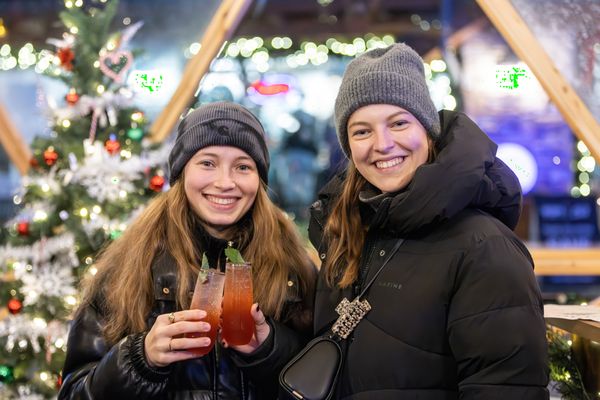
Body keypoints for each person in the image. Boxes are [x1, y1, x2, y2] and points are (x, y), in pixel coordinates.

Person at [307, 43, 549, 399]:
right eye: (362, 131)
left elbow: (507, 388)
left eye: (399, 123)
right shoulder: (347, 232)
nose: (383, 144)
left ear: (428, 130)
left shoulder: (484, 247)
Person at [58, 101, 316, 399]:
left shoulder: (294, 268)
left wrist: (268, 350)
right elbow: (75, 393)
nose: (225, 182)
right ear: (182, 173)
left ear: (259, 179)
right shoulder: (128, 267)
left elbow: (323, 382)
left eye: (243, 166)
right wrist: (140, 359)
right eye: (207, 163)